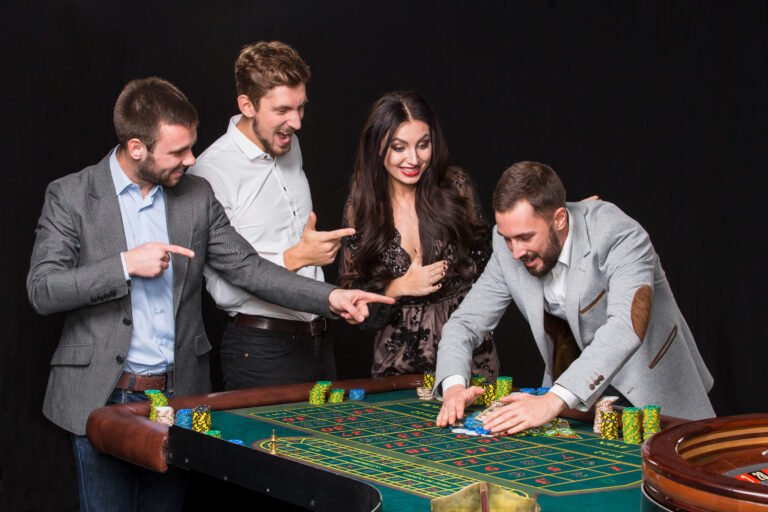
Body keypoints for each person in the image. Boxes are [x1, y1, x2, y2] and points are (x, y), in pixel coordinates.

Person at [26, 77, 392, 512]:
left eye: (191, 147)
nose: (191, 160)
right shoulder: (71, 196)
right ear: (137, 148)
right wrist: (125, 264)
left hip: (178, 396)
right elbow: (43, 290)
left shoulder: (195, 195)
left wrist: (330, 297)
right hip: (102, 397)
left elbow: (247, 266)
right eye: (178, 152)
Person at [435, 161, 715, 435]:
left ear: (559, 219)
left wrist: (552, 401)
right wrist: (454, 387)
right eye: (508, 238)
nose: (516, 252)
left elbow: (627, 326)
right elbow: (465, 323)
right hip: (574, 404)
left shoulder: (617, 234)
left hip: (650, 390)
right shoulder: (507, 244)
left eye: (525, 237)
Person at [188, 41, 353, 390]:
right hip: (261, 349)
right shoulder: (210, 173)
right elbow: (223, 290)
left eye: (301, 108)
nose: (296, 122)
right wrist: (296, 257)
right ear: (247, 105)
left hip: (319, 339)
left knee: (328, 445)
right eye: (282, 110)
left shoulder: (288, 143)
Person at [339, 91, 499, 378]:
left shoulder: (456, 187)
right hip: (397, 361)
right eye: (399, 148)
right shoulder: (360, 206)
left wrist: (557, 216)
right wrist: (398, 287)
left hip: (467, 353)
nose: (413, 159)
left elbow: (494, 269)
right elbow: (354, 306)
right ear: (377, 147)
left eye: (423, 145)